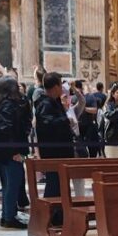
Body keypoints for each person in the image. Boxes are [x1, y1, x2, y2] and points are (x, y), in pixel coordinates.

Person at [0, 76, 33, 228]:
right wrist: (16, 150)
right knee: (13, 181)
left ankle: (8, 214)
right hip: (11, 150)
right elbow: (10, 129)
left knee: (9, 182)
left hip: (1, 150)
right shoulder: (9, 105)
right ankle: (9, 217)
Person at [35, 71, 79, 208]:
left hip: (61, 151)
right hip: (54, 152)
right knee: (54, 184)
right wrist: (66, 121)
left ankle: (58, 213)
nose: (62, 88)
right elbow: (47, 124)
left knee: (59, 185)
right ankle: (50, 213)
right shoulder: (45, 104)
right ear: (55, 87)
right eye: (60, 85)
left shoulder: (54, 102)